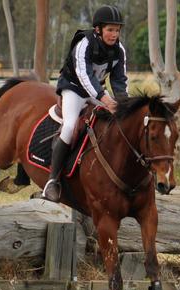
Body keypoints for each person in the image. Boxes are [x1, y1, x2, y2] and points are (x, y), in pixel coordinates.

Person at [42, 4, 129, 202]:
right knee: (70, 126)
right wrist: (104, 98)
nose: (114, 34)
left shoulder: (119, 50)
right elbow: (84, 75)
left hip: (96, 90)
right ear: (98, 29)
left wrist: (124, 105)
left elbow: (119, 80)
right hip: (74, 88)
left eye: (117, 30)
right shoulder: (84, 44)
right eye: (110, 30)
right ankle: (52, 181)